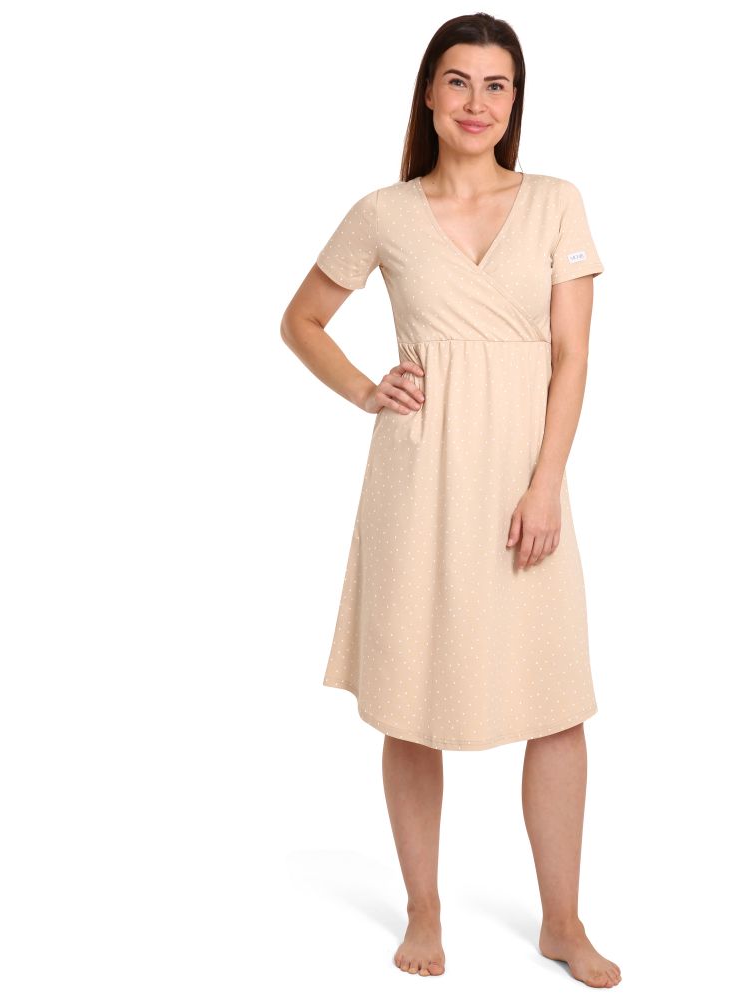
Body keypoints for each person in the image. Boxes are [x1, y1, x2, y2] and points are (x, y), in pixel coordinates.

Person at [281, 12, 621, 990]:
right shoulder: (383, 213)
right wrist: (364, 388)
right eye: (460, 81)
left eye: (496, 85)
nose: (478, 102)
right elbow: (302, 320)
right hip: (418, 480)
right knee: (412, 700)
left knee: (556, 703)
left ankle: (562, 920)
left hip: (524, 481)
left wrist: (545, 483)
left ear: (516, 101)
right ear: (429, 93)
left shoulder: (555, 201)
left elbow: (572, 357)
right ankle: (423, 906)